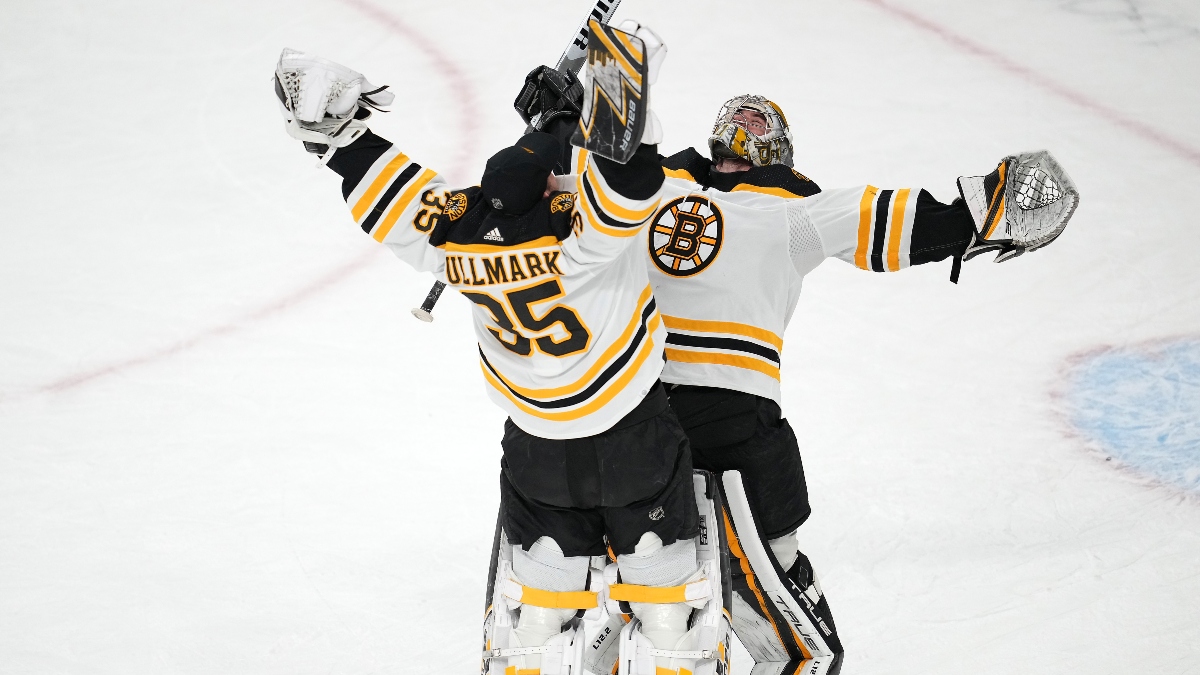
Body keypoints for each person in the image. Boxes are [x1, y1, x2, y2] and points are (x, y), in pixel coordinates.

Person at [523, 79, 1078, 675]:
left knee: (646, 590)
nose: (744, 130)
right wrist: (556, 125)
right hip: (693, 413)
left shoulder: (725, 200)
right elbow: (550, 185)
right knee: (799, 647)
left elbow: (556, 183)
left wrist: (555, 123)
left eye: (758, 125)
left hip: (632, 411)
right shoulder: (727, 199)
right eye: (739, 121)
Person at [272, 22, 736, 675]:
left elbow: (375, 179)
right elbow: (629, 169)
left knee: (542, 592)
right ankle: (671, 645)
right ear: (558, 192)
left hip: (536, 446)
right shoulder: (587, 237)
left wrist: (338, 126)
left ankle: (536, 643)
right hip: (631, 436)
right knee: (665, 591)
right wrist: (599, 85)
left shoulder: (455, 239)